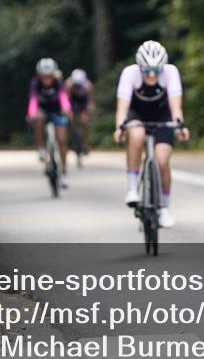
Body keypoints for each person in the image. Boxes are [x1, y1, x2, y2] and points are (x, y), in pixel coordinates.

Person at [113, 41, 190, 228]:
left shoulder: (171, 72)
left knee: (163, 161)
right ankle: (132, 188)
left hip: (162, 115)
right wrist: (119, 127)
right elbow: (122, 107)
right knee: (137, 135)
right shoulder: (129, 73)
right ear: (140, 67)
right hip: (137, 114)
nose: (152, 75)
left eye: (156, 70)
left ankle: (164, 207)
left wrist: (180, 126)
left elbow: (175, 106)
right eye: (147, 71)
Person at [26, 58, 73, 188]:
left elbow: (63, 98)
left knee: (62, 140)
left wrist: (67, 109)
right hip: (42, 111)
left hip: (57, 111)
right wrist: (32, 113)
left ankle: (63, 173)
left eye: (49, 76)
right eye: (44, 76)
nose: (47, 79)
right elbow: (33, 100)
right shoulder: (35, 83)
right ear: (40, 75)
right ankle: (41, 148)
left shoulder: (58, 82)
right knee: (38, 120)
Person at [67, 68, 94, 152]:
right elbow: (66, 99)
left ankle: (86, 143)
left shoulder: (88, 85)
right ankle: (69, 141)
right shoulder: (69, 84)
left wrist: (90, 107)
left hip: (83, 103)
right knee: (68, 122)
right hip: (73, 102)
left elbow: (90, 100)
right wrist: (68, 111)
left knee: (85, 123)